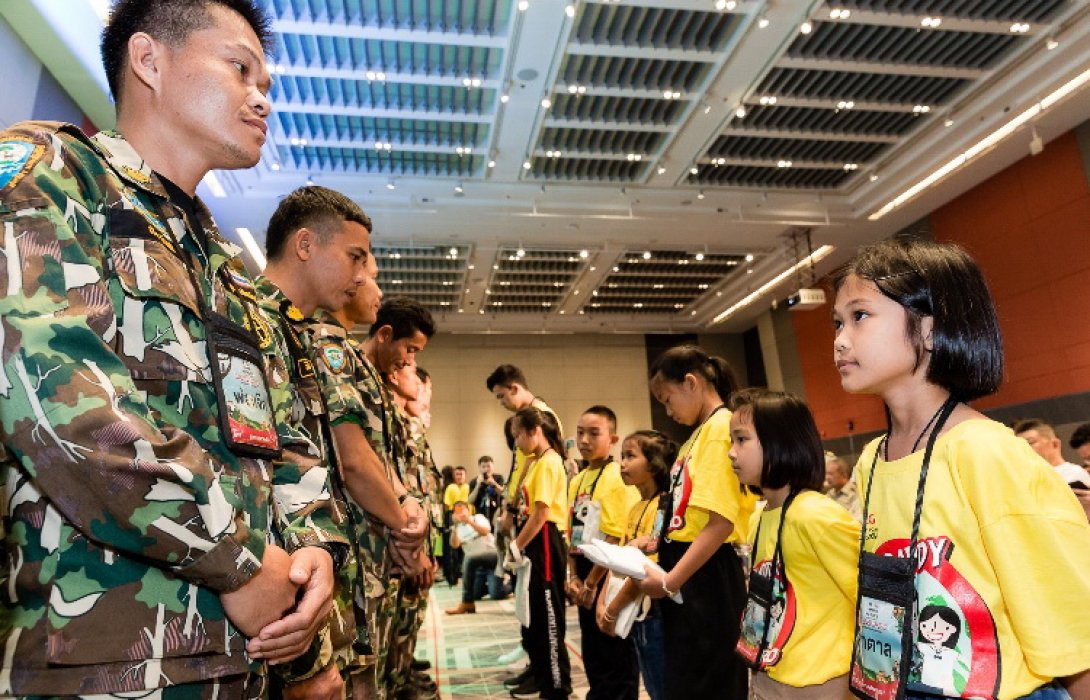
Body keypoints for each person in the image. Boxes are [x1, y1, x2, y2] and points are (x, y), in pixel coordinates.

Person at [0, 1, 335, 695]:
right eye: (240, 68)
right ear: (149, 61)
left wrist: (310, 561)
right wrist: (239, 560)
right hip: (105, 663)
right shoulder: (56, 174)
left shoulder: (225, 269)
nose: (262, 96)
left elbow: (279, 441)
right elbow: (55, 397)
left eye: (265, 81)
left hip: (244, 664)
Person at [832, 236, 1090, 699]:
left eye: (860, 316)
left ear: (931, 330)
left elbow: (1073, 627)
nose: (840, 340)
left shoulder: (985, 452)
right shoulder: (873, 459)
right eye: (838, 322)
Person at [257, 185, 379, 699]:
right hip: (275, 584)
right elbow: (263, 479)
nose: (362, 275)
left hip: (316, 569)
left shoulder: (298, 335)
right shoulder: (250, 324)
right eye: (355, 257)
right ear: (305, 245)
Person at [309, 294, 435, 699]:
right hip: (360, 544)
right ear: (384, 335)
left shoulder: (369, 375)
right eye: (409, 350)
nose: (409, 362)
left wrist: (408, 509)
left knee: (373, 665)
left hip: (382, 543)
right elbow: (358, 462)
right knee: (357, 667)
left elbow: (390, 467)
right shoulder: (335, 352)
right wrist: (406, 532)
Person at [637, 345, 758, 700]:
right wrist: (653, 542)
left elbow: (720, 523)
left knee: (710, 683)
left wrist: (671, 581)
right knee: (688, 681)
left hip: (707, 573)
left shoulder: (722, 427)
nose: (667, 409)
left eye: (667, 398)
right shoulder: (697, 436)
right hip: (688, 568)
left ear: (690, 383)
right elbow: (687, 513)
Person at [728, 389, 859, 700]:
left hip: (818, 679)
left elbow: (869, 596)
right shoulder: (761, 516)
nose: (732, 452)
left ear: (781, 442)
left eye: (741, 439)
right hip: (770, 667)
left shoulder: (815, 514)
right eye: (730, 441)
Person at [566, 406, 640, 700]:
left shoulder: (616, 477)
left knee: (614, 646)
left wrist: (592, 582)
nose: (584, 440)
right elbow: (571, 530)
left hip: (609, 573)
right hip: (584, 569)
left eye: (594, 433)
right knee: (592, 646)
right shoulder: (577, 479)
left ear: (613, 438)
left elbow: (616, 535)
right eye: (580, 433)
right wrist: (573, 574)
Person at [596, 430, 677, 700]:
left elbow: (644, 568)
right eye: (621, 456)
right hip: (636, 609)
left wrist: (613, 608)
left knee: (662, 684)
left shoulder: (664, 507)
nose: (622, 464)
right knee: (652, 683)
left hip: (653, 610)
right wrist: (604, 602)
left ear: (654, 464)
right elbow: (620, 558)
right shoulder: (635, 507)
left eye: (630, 456)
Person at [506, 406, 572, 700]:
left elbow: (541, 513)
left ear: (535, 431)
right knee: (533, 615)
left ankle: (557, 686)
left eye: (518, 434)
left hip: (544, 540)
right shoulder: (535, 462)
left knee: (548, 617)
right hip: (534, 541)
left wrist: (515, 545)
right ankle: (544, 678)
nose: (516, 442)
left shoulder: (548, 463)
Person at [384, 360, 438, 700]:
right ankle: (395, 679)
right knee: (394, 619)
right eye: (417, 380)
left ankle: (401, 673)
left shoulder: (410, 424)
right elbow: (403, 487)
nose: (423, 391)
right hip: (401, 539)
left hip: (415, 536)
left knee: (407, 615)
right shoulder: (398, 423)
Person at [445, 501, 507, 614]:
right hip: (477, 567)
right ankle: (494, 585)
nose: (460, 513)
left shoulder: (478, 518)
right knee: (477, 594)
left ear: (468, 510)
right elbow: (454, 544)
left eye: (462, 509)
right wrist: (455, 526)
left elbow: (485, 531)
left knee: (496, 594)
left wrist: (469, 521)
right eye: (457, 511)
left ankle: (510, 585)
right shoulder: (458, 528)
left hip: (492, 557)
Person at [443, 465, 470, 584]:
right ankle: (452, 576)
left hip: (467, 517)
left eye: (461, 474)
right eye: (457, 474)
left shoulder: (468, 487)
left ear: (465, 476)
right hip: (452, 515)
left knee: (465, 546)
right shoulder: (450, 487)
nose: (459, 476)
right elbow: (446, 505)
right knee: (451, 547)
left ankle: (464, 573)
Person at [824, 452, 862, 522]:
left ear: (844, 475)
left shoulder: (856, 494)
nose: (827, 477)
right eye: (826, 473)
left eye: (831, 474)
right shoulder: (829, 494)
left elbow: (858, 521)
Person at [469, 455, 506, 522]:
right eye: (483, 467)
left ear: (493, 467)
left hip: (497, 515)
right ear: (479, 468)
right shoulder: (474, 481)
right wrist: (477, 485)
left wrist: (494, 483)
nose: (486, 469)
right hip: (480, 517)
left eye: (488, 466)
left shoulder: (499, 478)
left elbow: (504, 493)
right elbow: (470, 501)